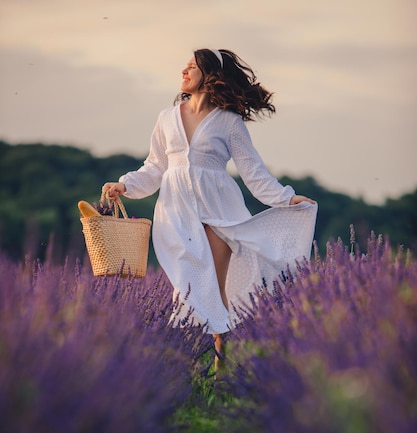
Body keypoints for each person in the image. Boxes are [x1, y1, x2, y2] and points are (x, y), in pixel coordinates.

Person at [103, 48, 317, 372]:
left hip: (220, 212)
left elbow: (253, 172)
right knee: (187, 288)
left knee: (214, 289)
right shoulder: (166, 118)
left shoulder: (229, 122)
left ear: (209, 75)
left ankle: (221, 367)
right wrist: (126, 185)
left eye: (192, 67)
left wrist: (286, 198)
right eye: (185, 66)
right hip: (176, 214)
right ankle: (184, 364)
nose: (184, 71)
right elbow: (155, 167)